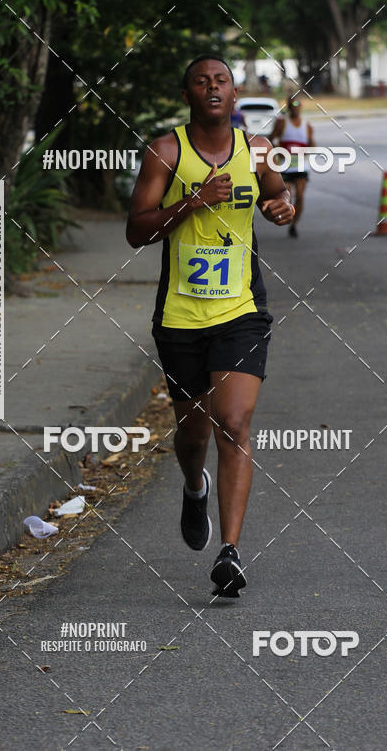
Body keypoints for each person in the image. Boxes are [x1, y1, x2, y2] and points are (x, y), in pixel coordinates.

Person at [126, 54, 294, 597]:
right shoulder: (166, 152)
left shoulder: (256, 149)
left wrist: (282, 205)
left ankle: (230, 553)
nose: (212, 88)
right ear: (188, 96)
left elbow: (277, 191)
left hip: (241, 311)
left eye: (221, 80)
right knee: (193, 433)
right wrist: (193, 202)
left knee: (234, 423)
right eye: (201, 82)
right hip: (180, 315)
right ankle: (193, 486)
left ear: (234, 94)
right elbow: (136, 230)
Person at [270, 95, 314, 238]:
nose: (295, 107)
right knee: (287, 198)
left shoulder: (306, 125)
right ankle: (287, 217)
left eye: (297, 104)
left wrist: (306, 150)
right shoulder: (282, 123)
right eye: (292, 105)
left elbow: (312, 144)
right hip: (285, 167)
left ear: (301, 106)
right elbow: (270, 139)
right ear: (288, 107)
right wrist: (277, 150)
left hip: (301, 167)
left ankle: (294, 225)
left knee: (300, 197)